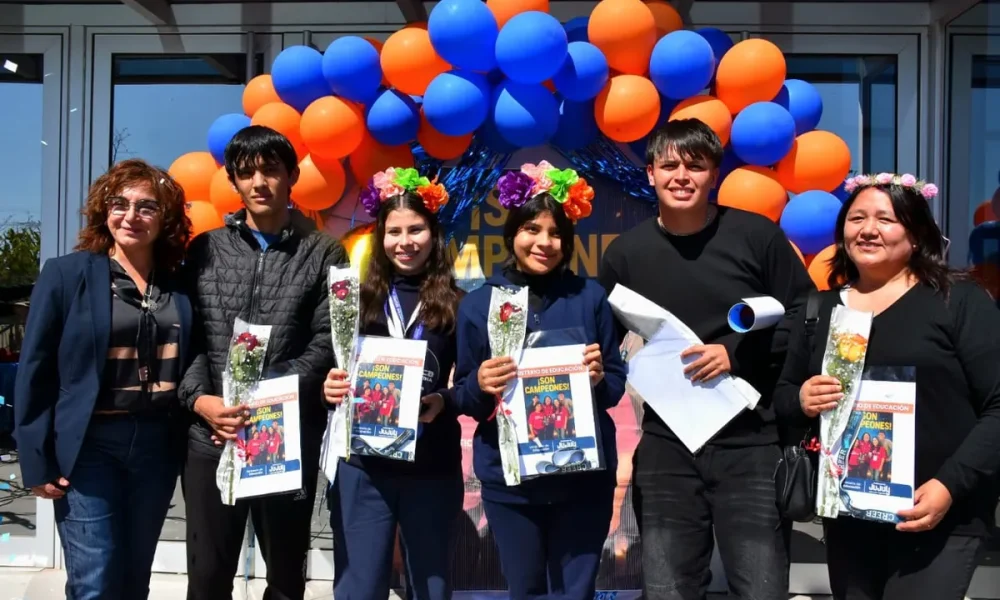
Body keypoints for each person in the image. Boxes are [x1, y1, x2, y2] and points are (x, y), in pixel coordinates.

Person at [598, 119, 815, 599]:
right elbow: (602, 344)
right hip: (666, 446)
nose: (682, 176)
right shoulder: (626, 254)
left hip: (751, 442)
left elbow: (805, 315)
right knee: (668, 589)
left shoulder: (756, 236)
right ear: (650, 173)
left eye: (695, 166)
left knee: (760, 589)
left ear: (714, 174)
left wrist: (736, 353)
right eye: (669, 165)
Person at [773, 173, 1000, 600]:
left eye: (885, 219)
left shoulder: (957, 300)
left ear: (915, 234)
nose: (868, 229)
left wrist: (949, 485)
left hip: (938, 512)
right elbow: (783, 396)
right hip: (851, 516)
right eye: (857, 218)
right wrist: (802, 399)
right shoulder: (821, 309)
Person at [178, 125, 346, 600]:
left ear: (292, 175)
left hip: (284, 435)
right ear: (233, 180)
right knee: (207, 576)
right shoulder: (205, 248)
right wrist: (202, 401)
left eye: (271, 170)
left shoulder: (322, 251)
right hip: (212, 436)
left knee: (286, 579)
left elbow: (327, 341)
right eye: (246, 173)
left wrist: (267, 399)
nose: (259, 183)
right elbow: (188, 336)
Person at [14, 159, 193, 599]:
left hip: (157, 444)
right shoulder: (66, 274)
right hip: (89, 445)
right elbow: (35, 368)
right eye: (120, 204)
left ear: (165, 218)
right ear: (103, 210)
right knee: (95, 581)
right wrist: (35, 458)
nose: (131, 216)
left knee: (134, 579)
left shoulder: (180, 284)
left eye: (147, 206)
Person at [453, 162, 627, 600]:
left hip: (583, 480)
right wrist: (479, 384)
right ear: (512, 233)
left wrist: (598, 379)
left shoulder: (589, 297)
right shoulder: (480, 305)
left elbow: (614, 386)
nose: (544, 243)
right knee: (526, 589)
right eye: (532, 229)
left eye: (555, 233)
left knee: (576, 592)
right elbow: (465, 400)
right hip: (512, 485)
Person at [322, 167, 463, 600]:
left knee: (431, 588)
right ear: (380, 237)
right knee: (360, 588)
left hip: (431, 465)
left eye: (416, 230)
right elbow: (325, 366)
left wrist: (445, 400)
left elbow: (475, 385)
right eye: (394, 231)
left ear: (433, 235)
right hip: (363, 466)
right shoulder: (354, 302)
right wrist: (328, 388)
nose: (405, 242)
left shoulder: (459, 304)